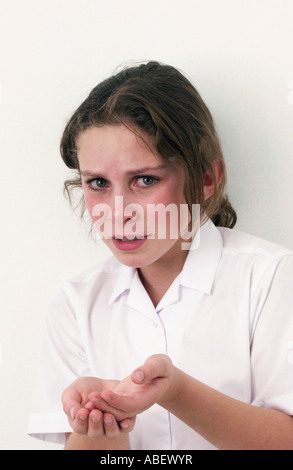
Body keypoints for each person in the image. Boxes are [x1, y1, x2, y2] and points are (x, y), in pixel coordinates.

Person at [28, 61, 293, 450]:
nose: (118, 210)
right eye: (98, 183)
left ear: (206, 179)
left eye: (145, 180)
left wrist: (176, 391)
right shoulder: (76, 302)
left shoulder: (270, 278)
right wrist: (102, 426)